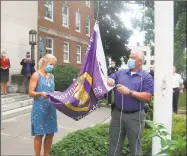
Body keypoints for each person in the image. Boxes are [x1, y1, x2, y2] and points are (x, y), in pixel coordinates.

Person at [107, 51, 154, 156]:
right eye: (129, 57)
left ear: (140, 62)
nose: (129, 60)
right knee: (114, 146)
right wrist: (109, 79)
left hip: (135, 116)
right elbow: (111, 78)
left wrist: (129, 92)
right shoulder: (121, 73)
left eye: (133, 58)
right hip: (117, 114)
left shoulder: (146, 77)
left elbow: (147, 96)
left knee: (135, 147)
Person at [29, 54, 58, 156]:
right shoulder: (36, 75)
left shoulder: (52, 76)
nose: (52, 67)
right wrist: (40, 93)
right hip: (39, 108)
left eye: (54, 65)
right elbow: (30, 92)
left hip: (51, 108)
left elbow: (51, 91)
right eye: (51, 64)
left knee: (50, 133)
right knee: (39, 134)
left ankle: (46, 154)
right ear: (44, 62)